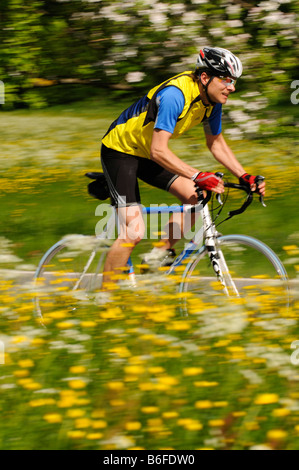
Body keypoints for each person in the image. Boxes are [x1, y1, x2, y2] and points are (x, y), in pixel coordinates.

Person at [100, 46, 266, 287]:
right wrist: (198, 174)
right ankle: (105, 302)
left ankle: (156, 257)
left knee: (195, 195)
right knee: (134, 231)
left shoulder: (212, 100)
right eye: (226, 80)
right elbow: (159, 150)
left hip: (147, 153)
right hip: (121, 152)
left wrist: (244, 176)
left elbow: (216, 143)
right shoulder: (175, 96)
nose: (232, 87)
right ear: (205, 77)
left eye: (233, 81)